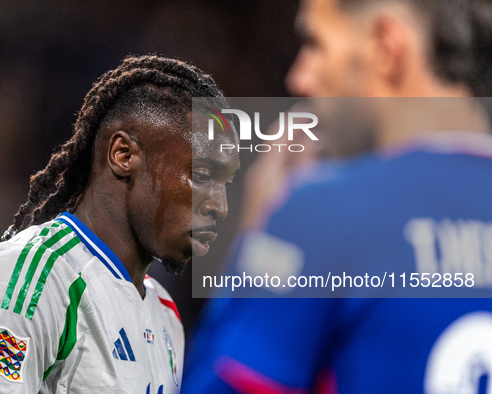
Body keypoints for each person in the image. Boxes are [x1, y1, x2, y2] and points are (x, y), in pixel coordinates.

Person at [182, 0, 492, 393]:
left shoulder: (324, 214)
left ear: (385, 45)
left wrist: (255, 244)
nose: (299, 79)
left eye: (316, 43)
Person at [0, 55, 240, 394]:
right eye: (201, 175)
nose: (220, 206)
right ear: (123, 155)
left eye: (226, 184)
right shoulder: (31, 278)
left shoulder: (165, 314)